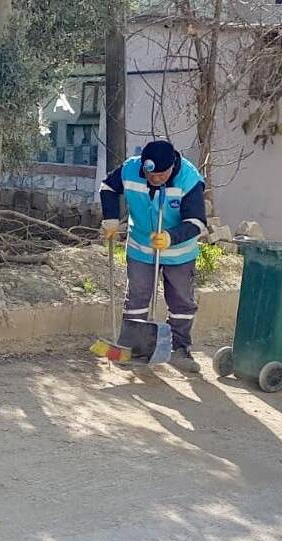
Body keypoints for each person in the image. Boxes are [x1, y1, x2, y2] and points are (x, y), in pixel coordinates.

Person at [99, 140, 206, 373]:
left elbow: (197, 222)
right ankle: (133, 347)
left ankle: (179, 348)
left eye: (161, 175)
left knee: (181, 302)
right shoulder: (130, 169)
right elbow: (108, 187)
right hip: (140, 247)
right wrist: (110, 217)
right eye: (150, 174)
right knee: (137, 297)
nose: (155, 179)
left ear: (172, 166)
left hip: (179, 252)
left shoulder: (189, 179)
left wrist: (170, 237)